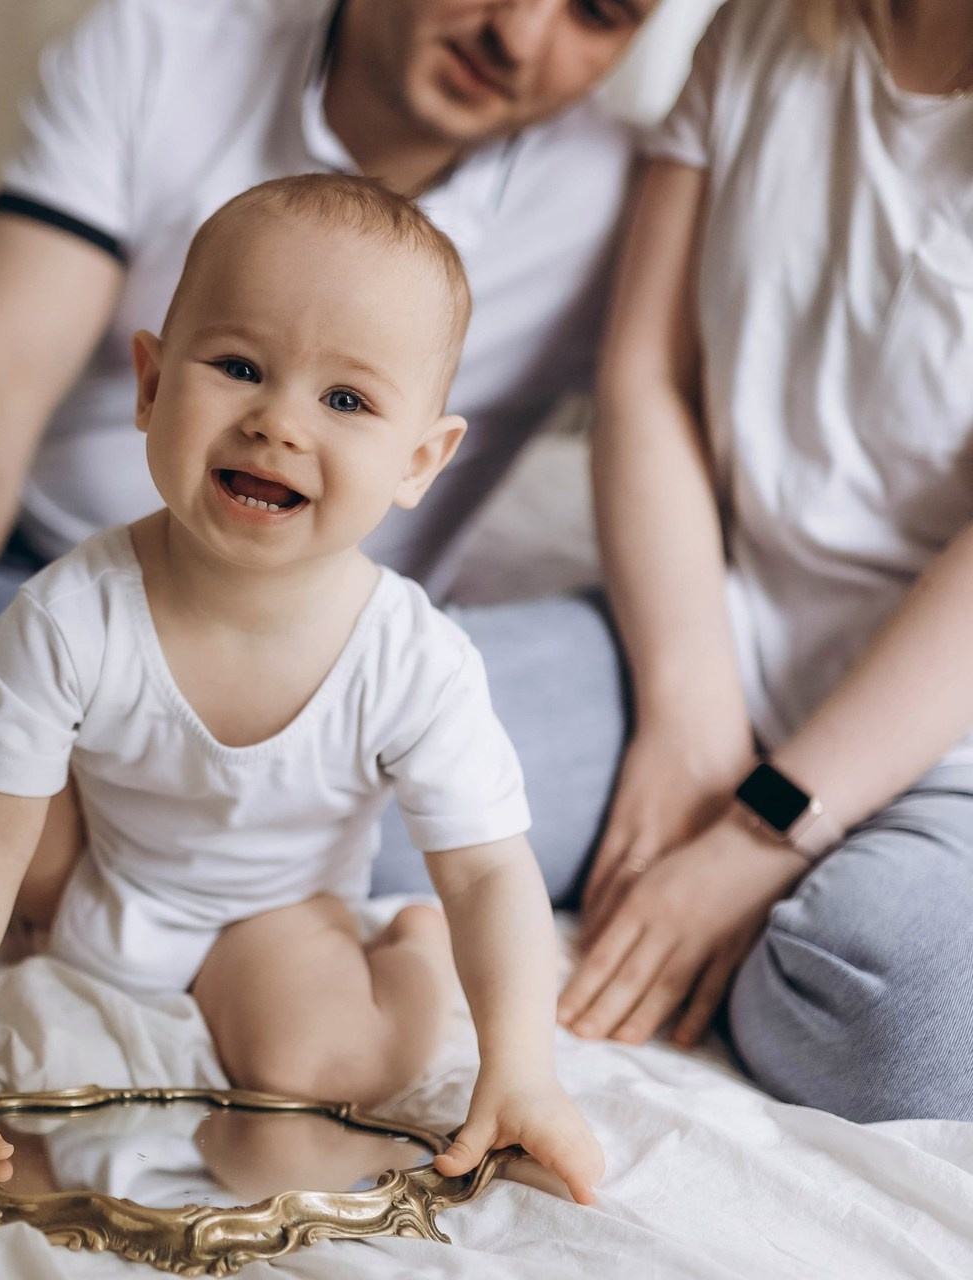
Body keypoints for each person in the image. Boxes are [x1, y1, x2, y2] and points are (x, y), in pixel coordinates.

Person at [0, 175, 605, 1203]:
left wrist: (520, 1068)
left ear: (419, 460)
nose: (278, 422)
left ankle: (411, 958)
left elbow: (487, 872)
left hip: (274, 912)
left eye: (345, 400)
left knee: (321, 1064)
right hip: (94, 863)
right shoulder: (75, 609)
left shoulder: (412, 657)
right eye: (238, 367)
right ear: (151, 386)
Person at [0, 0, 653, 825]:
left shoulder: (615, 213)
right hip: (21, 503)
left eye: (598, 12)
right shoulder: (167, 39)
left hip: (206, 614)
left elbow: (684, 435)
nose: (519, 36)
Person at [392, 0, 973, 1122]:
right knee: (334, 764)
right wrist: (688, 717)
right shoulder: (760, 28)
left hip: (946, 729)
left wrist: (761, 829)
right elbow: (644, 376)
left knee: (891, 1024)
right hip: (708, 632)